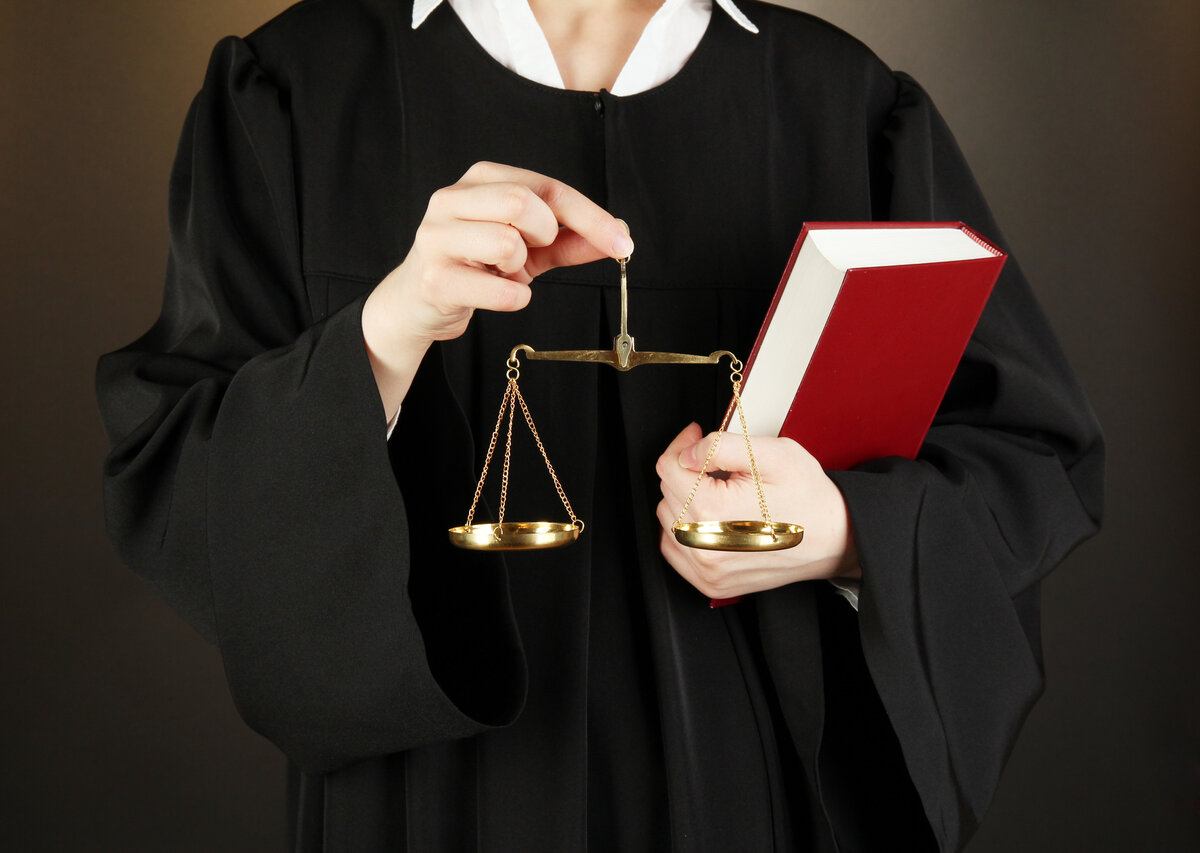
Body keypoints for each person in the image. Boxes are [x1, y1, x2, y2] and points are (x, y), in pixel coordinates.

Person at [96, 0, 1104, 850]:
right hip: (424, 800)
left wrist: (846, 532)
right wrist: (386, 333)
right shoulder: (293, 90)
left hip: (751, 791)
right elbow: (181, 479)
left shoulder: (846, 105)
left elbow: (1028, 457)